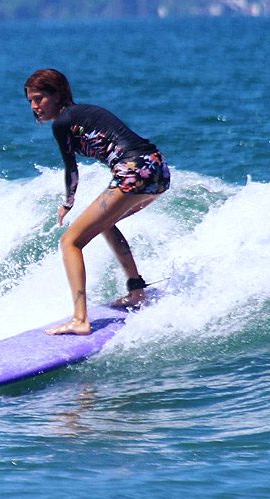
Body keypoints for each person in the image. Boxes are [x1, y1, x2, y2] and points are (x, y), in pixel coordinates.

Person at [23, 69, 170, 335]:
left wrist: (67, 202)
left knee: (70, 241)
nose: (35, 106)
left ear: (58, 95)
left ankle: (80, 319)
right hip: (157, 168)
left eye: (39, 98)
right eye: (30, 101)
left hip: (134, 169)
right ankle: (137, 291)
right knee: (105, 223)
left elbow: (71, 169)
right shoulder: (79, 114)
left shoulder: (63, 122)